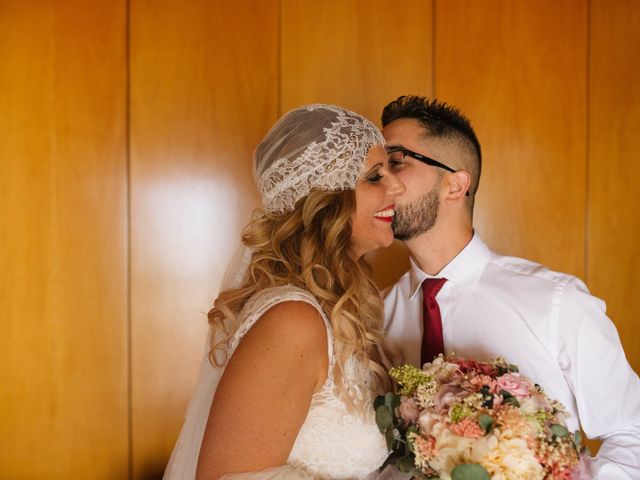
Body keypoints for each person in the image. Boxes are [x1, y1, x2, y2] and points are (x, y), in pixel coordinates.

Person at [381, 95, 640, 478]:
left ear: (455, 185)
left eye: (396, 161)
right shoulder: (374, 316)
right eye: (374, 167)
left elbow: (632, 432)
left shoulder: (557, 302)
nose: (378, 180)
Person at [163, 104, 405, 480]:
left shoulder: (348, 304)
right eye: (375, 177)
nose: (397, 186)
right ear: (326, 201)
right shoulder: (292, 321)